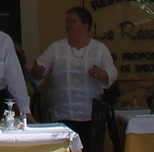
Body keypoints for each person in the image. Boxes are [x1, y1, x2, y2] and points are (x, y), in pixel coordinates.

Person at [30, 8, 117, 148]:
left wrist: (101, 73)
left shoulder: (99, 49)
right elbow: (40, 68)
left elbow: (112, 71)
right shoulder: (56, 48)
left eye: (73, 21)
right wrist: (37, 71)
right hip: (62, 114)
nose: (68, 25)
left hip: (90, 116)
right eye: (67, 21)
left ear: (85, 25)